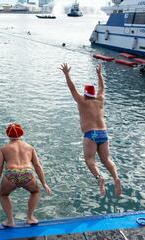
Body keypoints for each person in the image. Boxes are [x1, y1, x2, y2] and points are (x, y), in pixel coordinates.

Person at [60, 63, 121, 197]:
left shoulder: (82, 101)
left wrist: (67, 74)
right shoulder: (100, 100)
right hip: (103, 133)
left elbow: (72, 88)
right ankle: (116, 177)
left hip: (91, 134)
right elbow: (102, 88)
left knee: (90, 161)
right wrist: (99, 75)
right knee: (106, 159)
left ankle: (100, 178)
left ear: (85, 94)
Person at [0, 123, 52, 227]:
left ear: (8, 135)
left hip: (11, 174)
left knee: (4, 195)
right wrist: (44, 183)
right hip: (27, 173)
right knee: (35, 192)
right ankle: (30, 217)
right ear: (22, 133)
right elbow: (37, 165)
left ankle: (10, 221)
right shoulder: (30, 148)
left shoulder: (3, 149)